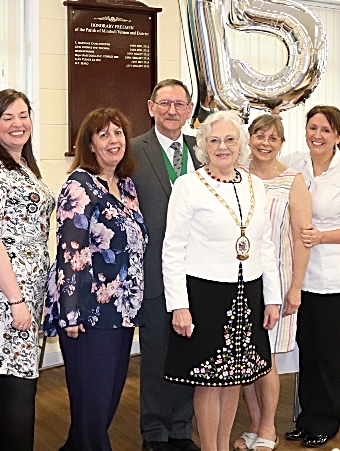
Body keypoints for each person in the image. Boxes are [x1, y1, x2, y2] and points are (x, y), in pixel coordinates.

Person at [163, 110, 281, 451]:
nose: (222, 147)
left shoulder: (255, 184)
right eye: (214, 141)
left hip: (249, 292)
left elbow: (266, 244)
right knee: (209, 380)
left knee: (234, 378)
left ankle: (223, 444)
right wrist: (179, 306)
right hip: (205, 293)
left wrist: (271, 298)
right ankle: (210, 448)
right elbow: (173, 249)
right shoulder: (188, 185)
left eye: (230, 140)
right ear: (203, 146)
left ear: (241, 144)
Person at [43, 107, 149, 451]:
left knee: (103, 403)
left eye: (118, 133)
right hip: (88, 313)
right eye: (103, 134)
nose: (113, 140)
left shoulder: (126, 186)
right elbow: (71, 250)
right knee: (93, 402)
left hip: (122, 310)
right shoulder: (79, 185)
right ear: (89, 144)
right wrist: (70, 312)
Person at [0, 89, 54, 451]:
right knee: (16, 383)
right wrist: (16, 299)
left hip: (24, 291)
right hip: (2, 292)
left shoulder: (23, 167)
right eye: (8, 118)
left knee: (5, 380)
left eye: (23, 115)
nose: (18, 124)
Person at [281, 105, 340, 448]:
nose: (317, 135)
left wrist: (323, 236)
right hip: (301, 276)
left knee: (328, 353)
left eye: (325, 130)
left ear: (338, 136)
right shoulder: (295, 163)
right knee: (306, 348)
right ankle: (306, 418)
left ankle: (326, 421)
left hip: (335, 278)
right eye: (312, 128)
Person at [234, 114, 312, 451]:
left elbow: (302, 237)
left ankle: (269, 428)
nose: (265, 143)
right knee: (245, 356)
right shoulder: (236, 176)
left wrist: (295, 287)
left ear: (281, 143)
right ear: (249, 138)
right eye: (259, 136)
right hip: (239, 282)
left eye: (273, 138)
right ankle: (253, 423)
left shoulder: (292, 180)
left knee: (267, 358)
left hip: (276, 284)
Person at [131, 78, 201, 451]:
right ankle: (154, 432)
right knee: (157, 355)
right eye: (165, 103)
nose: (172, 110)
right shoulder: (132, 152)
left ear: (189, 110)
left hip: (198, 274)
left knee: (187, 354)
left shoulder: (202, 150)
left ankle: (180, 428)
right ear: (150, 107)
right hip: (154, 274)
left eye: (179, 104)